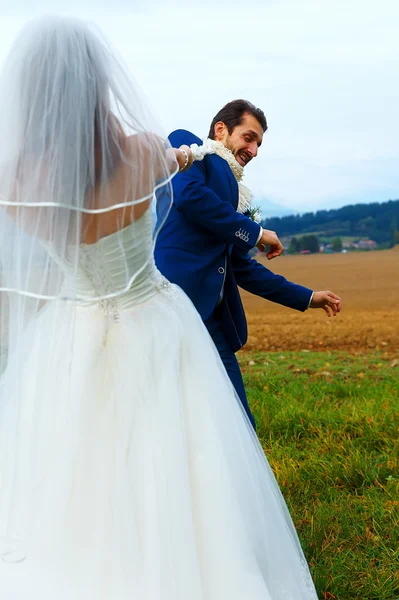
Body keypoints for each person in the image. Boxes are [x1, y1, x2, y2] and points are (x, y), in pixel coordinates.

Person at [0, 17, 319, 599]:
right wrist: (202, 159)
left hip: (72, 328)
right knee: (176, 448)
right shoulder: (142, 152)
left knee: (77, 457)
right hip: (152, 316)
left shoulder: (17, 180)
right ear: (100, 85)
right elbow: (187, 159)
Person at [155, 99, 342, 428]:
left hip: (214, 322)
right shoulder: (188, 147)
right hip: (171, 310)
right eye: (249, 137)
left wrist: (308, 297)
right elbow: (189, 197)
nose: (254, 150)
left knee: (238, 421)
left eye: (258, 144)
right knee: (168, 417)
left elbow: (241, 267)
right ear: (221, 129)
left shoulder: (235, 195)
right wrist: (255, 232)